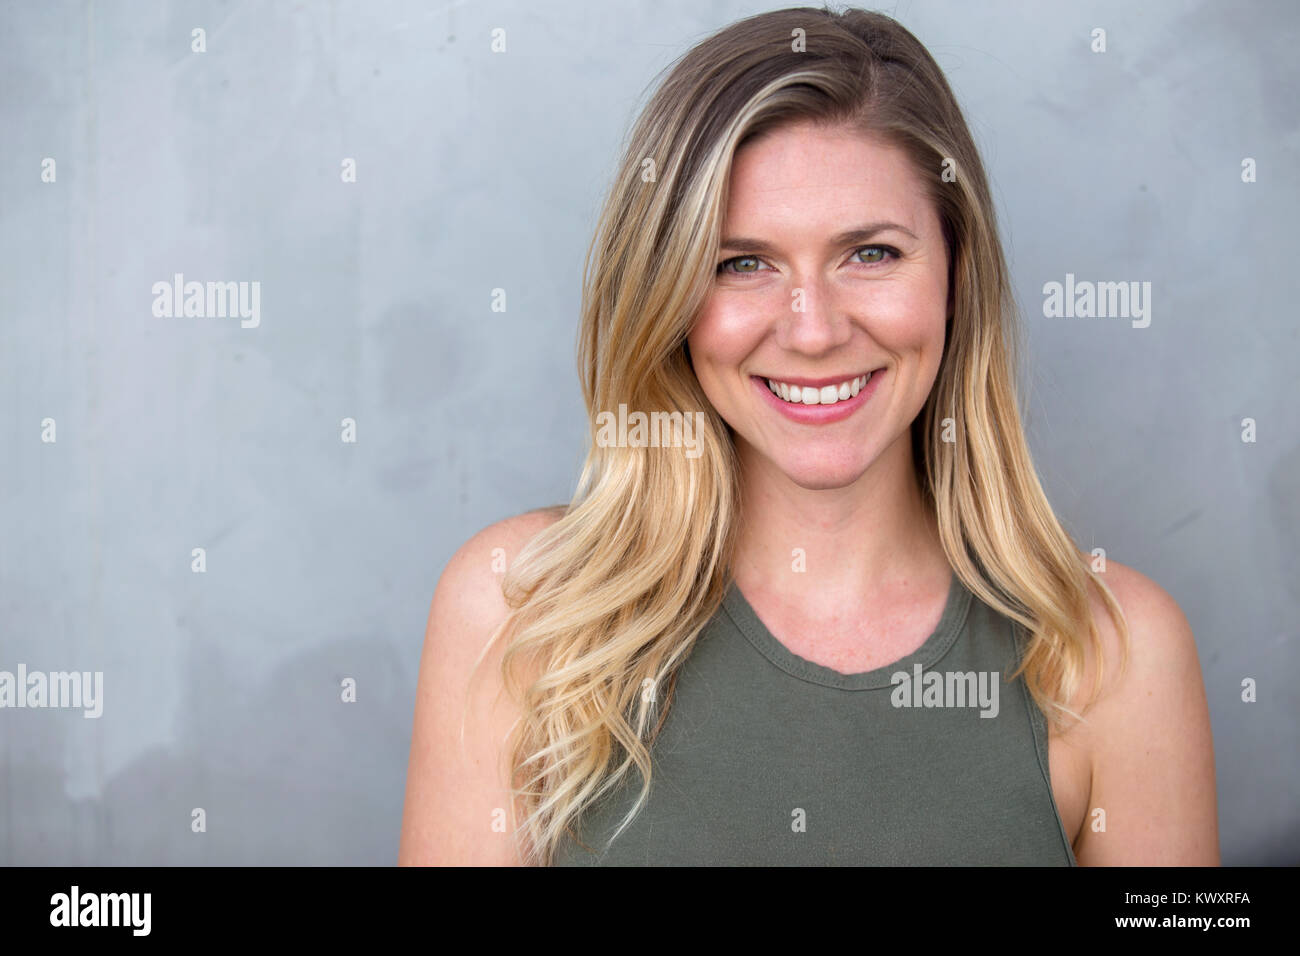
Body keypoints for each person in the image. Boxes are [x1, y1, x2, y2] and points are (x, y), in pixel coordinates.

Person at [398, 5, 1219, 866]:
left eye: (870, 254)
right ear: (668, 298)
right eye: (741, 264)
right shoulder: (521, 612)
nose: (814, 329)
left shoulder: (1118, 655)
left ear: (956, 275)